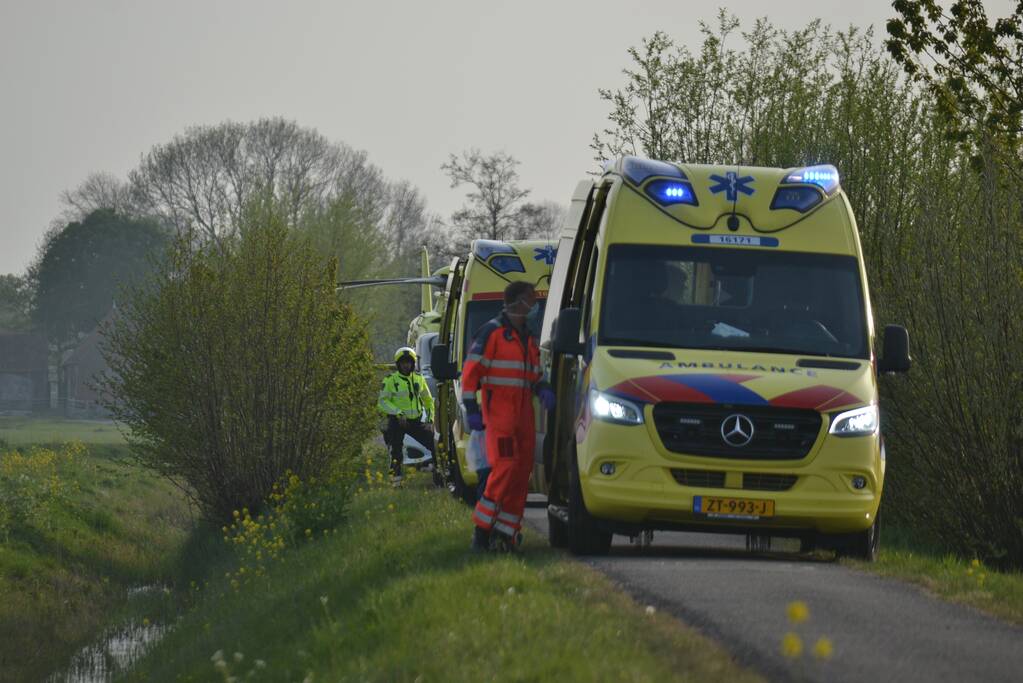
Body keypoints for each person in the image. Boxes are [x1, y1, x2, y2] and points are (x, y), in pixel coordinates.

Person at [462, 281, 556, 552]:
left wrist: (544, 387)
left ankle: (506, 534)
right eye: (531, 299)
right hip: (500, 418)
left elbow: (533, 373)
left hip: (523, 417)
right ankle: (481, 532)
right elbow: (470, 373)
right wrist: (471, 409)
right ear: (517, 301)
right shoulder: (492, 333)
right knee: (503, 470)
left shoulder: (526, 338)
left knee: (520, 474)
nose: (534, 305)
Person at [378, 346, 436, 486]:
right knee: (396, 452)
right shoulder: (390, 380)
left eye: (408, 362)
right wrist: (398, 413)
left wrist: (430, 420)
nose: (406, 365)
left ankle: (440, 476)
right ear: (398, 364)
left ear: (413, 363)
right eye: (403, 362)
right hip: (397, 422)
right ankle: (396, 483)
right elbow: (382, 402)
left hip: (415, 422)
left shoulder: (419, 379)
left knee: (435, 446)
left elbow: (428, 400)